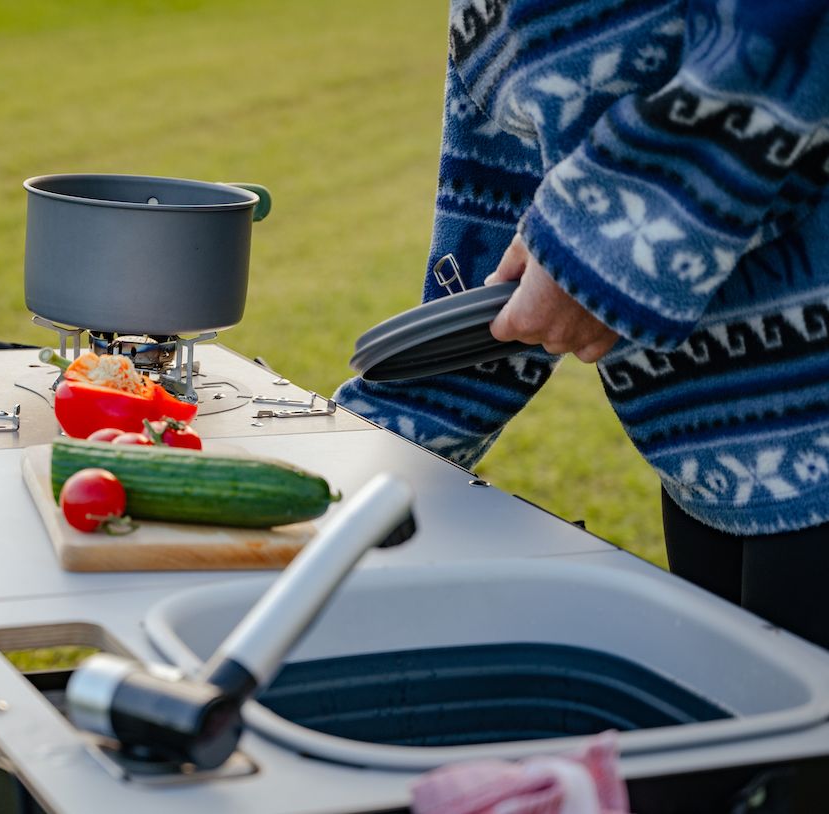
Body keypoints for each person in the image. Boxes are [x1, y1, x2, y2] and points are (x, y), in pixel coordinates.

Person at [335, 0, 829, 649]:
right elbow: (500, 190)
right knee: (746, 721)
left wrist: (601, 247)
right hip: (708, 448)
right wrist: (378, 450)